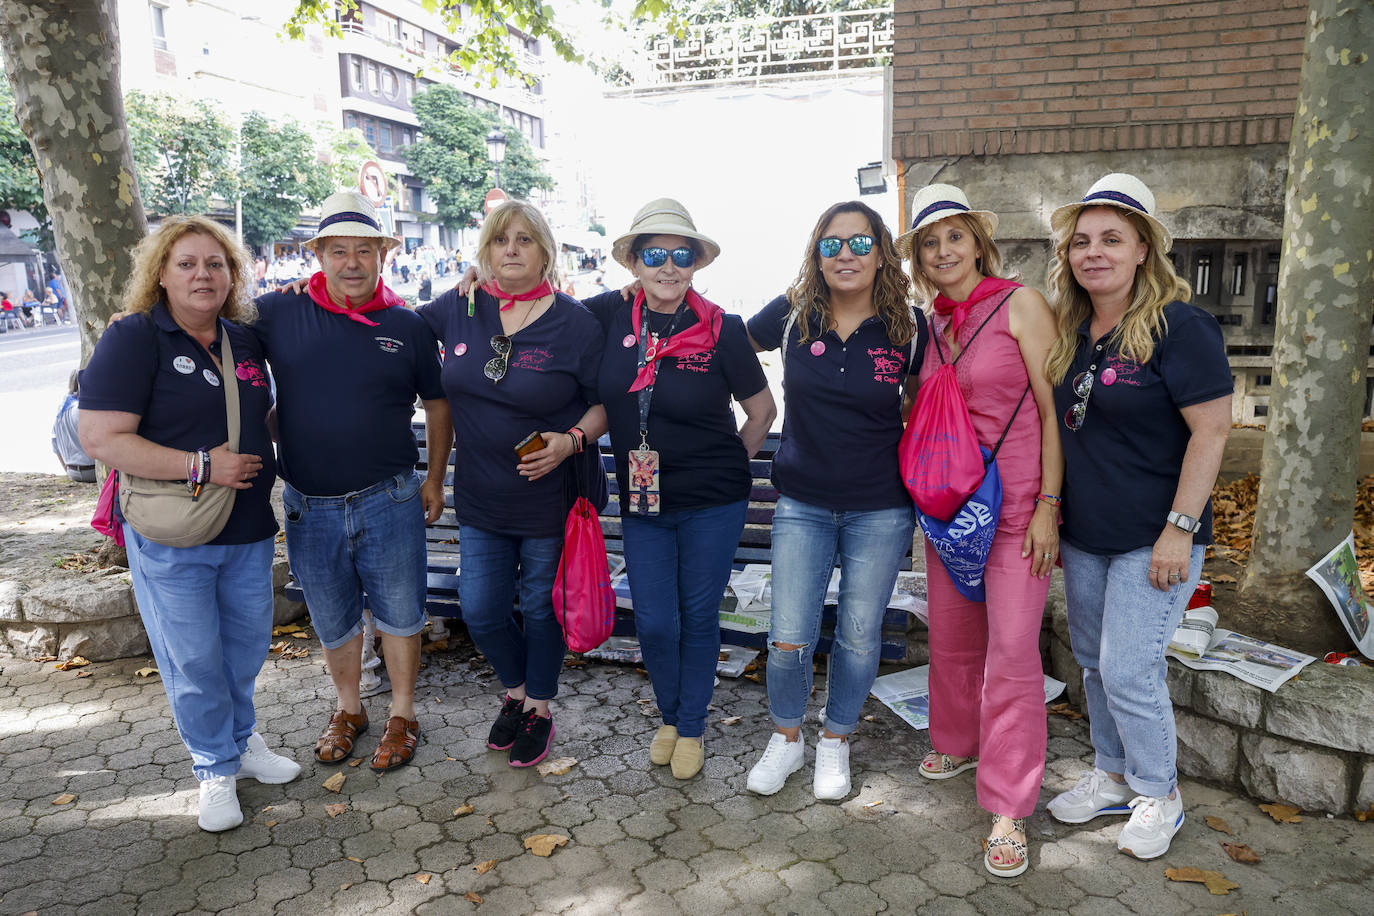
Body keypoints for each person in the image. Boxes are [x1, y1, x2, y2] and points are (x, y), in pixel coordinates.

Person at [78, 215, 299, 832]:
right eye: (186, 264)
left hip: (248, 527)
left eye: (216, 264)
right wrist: (202, 465)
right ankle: (213, 768)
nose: (203, 274)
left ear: (233, 274)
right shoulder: (135, 338)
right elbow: (99, 437)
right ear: (161, 274)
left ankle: (241, 742)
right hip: (174, 534)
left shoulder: (244, 340)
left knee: (245, 650)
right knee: (194, 661)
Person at [1044, 173, 1231, 860]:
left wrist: (1179, 531)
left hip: (1156, 538)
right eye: (1082, 241)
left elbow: (1212, 433)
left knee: (1129, 669)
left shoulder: (1181, 327)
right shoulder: (1073, 329)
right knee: (1094, 664)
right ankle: (1114, 774)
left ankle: (1161, 793)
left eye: (1112, 239)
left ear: (1144, 249)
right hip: (1087, 536)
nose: (1094, 252)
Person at [897, 184, 1063, 878]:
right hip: (952, 510)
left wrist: (1051, 504)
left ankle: (1008, 805)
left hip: (1020, 508)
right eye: (929, 242)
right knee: (954, 636)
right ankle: (957, 739)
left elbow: (1055, 415)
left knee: (1014, 653)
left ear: (977, 242)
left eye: (954, 237)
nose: (943, 251)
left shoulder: (1020, 304)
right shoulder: (928, 326)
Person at [255, 190, 451, 774]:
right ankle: (348, 709)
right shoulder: (276, 312)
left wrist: (434, 479)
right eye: (337, 251)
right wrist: (132, 320)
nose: (351, 263)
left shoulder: (407, 325)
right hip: (307, 505)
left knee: (400, 614)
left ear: (383, 256)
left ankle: (403, 714)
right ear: (317, 255)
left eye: (364, 251)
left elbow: (438, 405)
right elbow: (201, 316)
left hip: (389, 497)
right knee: (333, 616)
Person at [583, 199, 774, 779]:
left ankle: (689, 724)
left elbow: (762, 410)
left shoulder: (723, 329)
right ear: (634, 263)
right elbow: (538, 308)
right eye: (654, 254)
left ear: (696, 263)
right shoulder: (606, 319)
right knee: (655, 619)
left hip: (713, 501)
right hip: (644, 502)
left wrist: (730, 464)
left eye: (681, 254)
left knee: (696, 616)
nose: (668, 266)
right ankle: (670, 714)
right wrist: (480, 280)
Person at [744, 201, 926, 801]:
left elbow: (929, 406)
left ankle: (836, 741)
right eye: (831, 244)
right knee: (788, 635)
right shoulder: (795, 314)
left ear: (881, 253)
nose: (845, 254)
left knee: (856, 634)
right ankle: (788, 738)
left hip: (882, 506)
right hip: (803, 503)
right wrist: (755, 412)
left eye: (859, 242)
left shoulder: (911, 328)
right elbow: (724, 346)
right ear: (816, 255)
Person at [420, 199, 605, 768]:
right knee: (480, 608)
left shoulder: (574, 321)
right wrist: (310, 293)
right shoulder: (459, 306)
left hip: (552, 495)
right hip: (481, 495)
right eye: (502, 240)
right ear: (485, 251)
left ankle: (539, 707)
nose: (512, 250)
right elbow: (387, 324)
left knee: (540, 606)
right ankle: (519, 690)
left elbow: (605, 405)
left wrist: (570, 440)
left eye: (525, 240)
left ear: (545, 251)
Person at [52, 370, 96, 482]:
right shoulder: (82, 409)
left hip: (72, 472)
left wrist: (66, 470)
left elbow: (55, 444)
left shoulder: (61, 409)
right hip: (93, 471)